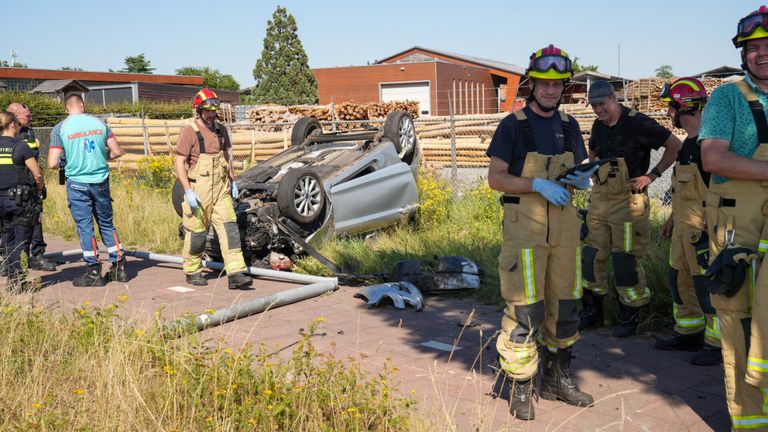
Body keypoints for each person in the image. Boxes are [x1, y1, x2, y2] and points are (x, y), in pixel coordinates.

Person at [487, 44, 595, 421]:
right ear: (532, 84)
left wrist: (584, 176)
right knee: (525, 311)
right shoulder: (512, 126)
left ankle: (557, 379)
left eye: (557, 84)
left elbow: (580, 173)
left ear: (564, 86)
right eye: (544, 83)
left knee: (565, 308)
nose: (550, 90)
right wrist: (536, 184)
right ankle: (520, 386)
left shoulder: (570, 126)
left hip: (565, 231)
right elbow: (495, 178)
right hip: (526, 232)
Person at [700, 5, 768, 429]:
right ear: (743, 55)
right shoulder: (728, 97)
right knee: (740, 320)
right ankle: (749, 421)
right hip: (737, 226)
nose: (762, 53)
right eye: (754, 47)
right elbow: (712, 157)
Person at [579, 80, 682, 337]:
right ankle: (593, 312)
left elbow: (675, 146)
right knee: (592, 257)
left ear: (615, 98)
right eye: (593, 106)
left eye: (602, 104)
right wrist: (592, 172)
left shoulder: (638, 122)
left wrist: (653, 175)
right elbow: (593, 151)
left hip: (628, 202)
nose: (598, 110)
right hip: (600, 199)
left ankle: (630, 314)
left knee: (625, 260)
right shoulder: (598, 125)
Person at [654, 78, 723, 366]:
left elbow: (721, 192)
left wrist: (712, 225)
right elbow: (683, 192)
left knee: (706, 286)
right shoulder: (686, 147)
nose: (669, 114)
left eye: (671, 107)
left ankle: (716, 342)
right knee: (679, 279)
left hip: (703, 230)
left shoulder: (710, 145)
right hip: (683, 228)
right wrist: (671, 218)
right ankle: (689, 331)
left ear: (685, 107)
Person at [47, 94, 128, 287]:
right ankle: (119, 266)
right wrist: (100, 158)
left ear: (66, 108)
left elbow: (51, 163)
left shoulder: (60, 128)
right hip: (101, 181)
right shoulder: (100, 124)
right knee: (107, 223)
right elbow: (117, 152)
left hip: (77, 184)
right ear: (82, 105)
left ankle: (93, 270)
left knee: (85, 226)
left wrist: (67, 162)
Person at [174, 88, 251, 290]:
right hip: (199, 190)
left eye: (214, 111)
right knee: (197, 233)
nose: (211, 114)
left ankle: (236, 274)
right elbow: (180, 162)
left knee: (230, 229)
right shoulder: (190, 131)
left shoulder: (221, 129)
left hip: (222, 189)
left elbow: (228, 157)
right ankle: (192, 270)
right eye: (207, 111)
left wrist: (232, 181)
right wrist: (187, 190)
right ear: (198, 110)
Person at [6, 103, 57, 272]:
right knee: (12, 228)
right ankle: (13, 261)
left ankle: (36, 255)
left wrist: (40, 186)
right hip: (15, 189)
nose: (31, 118)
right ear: (14, 117)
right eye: (27, 116)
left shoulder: (29, 132)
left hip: (32, 186)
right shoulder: (8, 137)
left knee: (36, 222)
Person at [0, 112, 44, 290]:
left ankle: (11, 281)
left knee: (7, 240)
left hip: (1, 202)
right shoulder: (21, 146)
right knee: (22, 242)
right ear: (12, 125)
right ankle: (20, 282)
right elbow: (37, 173)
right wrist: (40, 189)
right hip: (19, 201)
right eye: (17, 125)